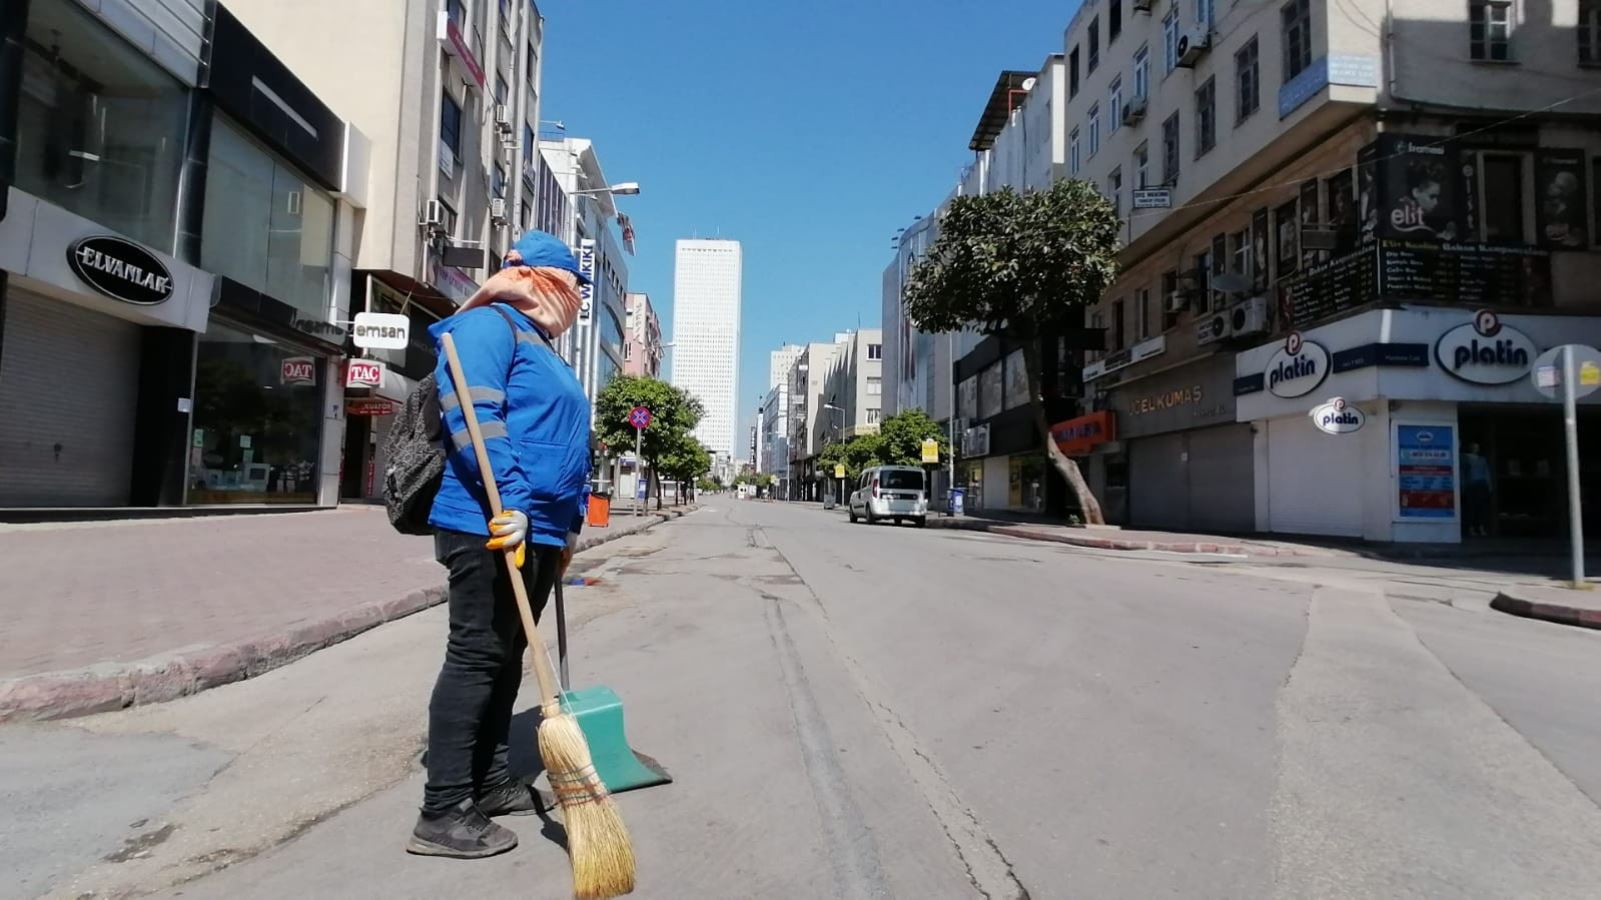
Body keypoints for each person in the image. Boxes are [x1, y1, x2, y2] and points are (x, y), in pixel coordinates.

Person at [407, 231, 592, 860]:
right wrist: (510, 498)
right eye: (571, 288)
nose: (575, 302)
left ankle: (487, 781)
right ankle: (443, 809)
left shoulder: (544, 345)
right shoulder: (491, 325)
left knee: (510, 654)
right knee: (478, 656)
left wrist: (567, 521)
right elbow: (473, 415)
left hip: (538, 526)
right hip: (487, 519)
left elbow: (565, 438)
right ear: (543, 281)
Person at [1462, 442, 1493, 538]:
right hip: (1471, 484)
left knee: (1481, 507)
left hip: (1481, 484)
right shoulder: (1465, 458)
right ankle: (1471, 528)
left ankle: (1481, 527)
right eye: (1474, 447)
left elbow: (1486, 472)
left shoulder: (1482, 459)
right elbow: (1463, 473)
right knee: (1471, 507)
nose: (1475, 449)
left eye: (1477, 447)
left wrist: (1489, 484)